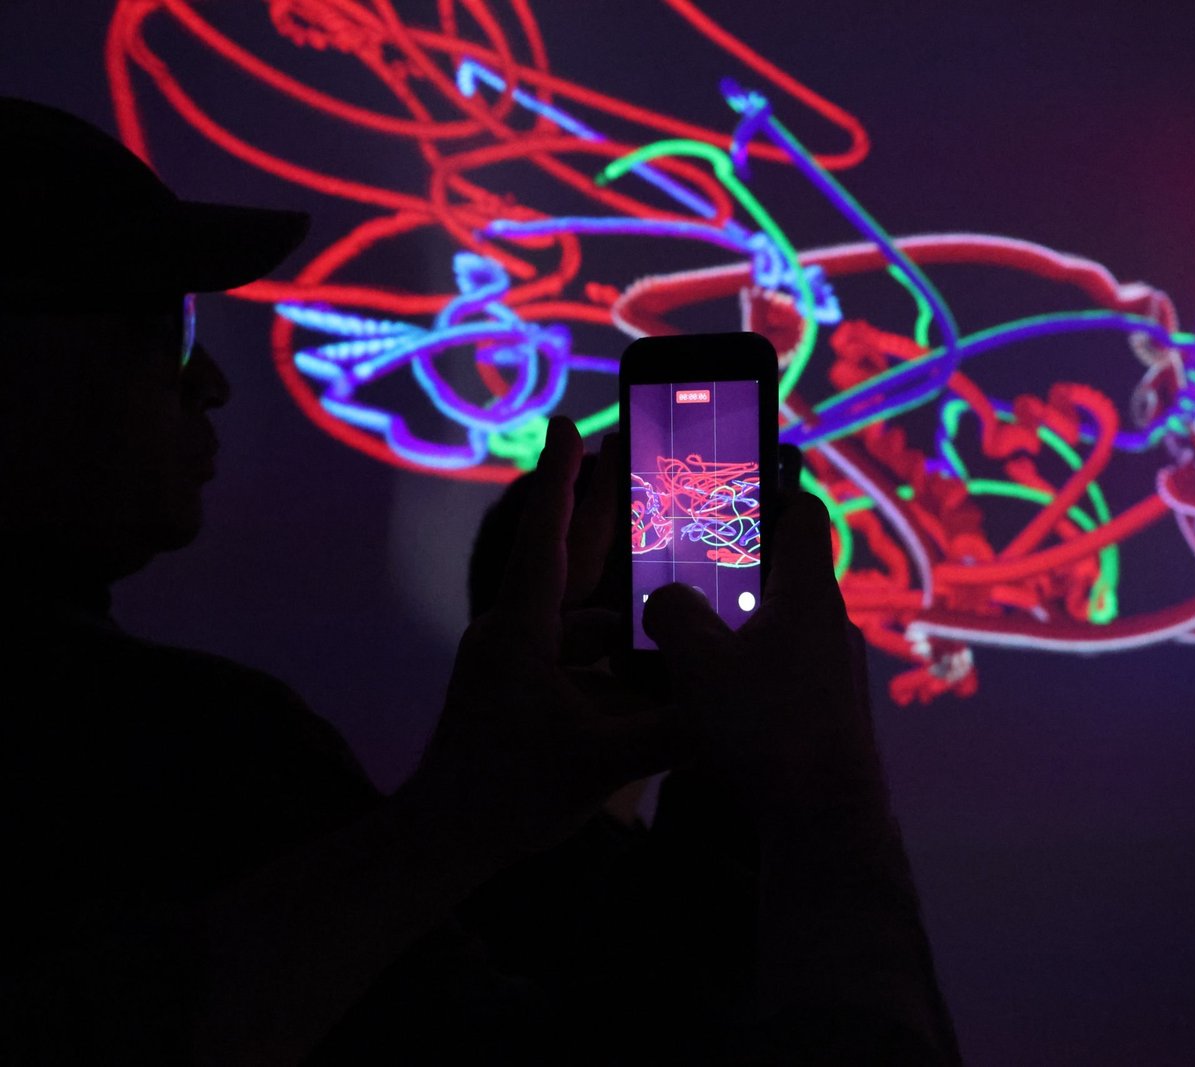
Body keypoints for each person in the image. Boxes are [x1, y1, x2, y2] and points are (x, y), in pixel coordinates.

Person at [0, 96, 959, 1064]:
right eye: (164, 326)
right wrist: (821, 783)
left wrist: (466, 820)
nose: (209, 380)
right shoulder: (189, 763)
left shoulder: (187, 762)